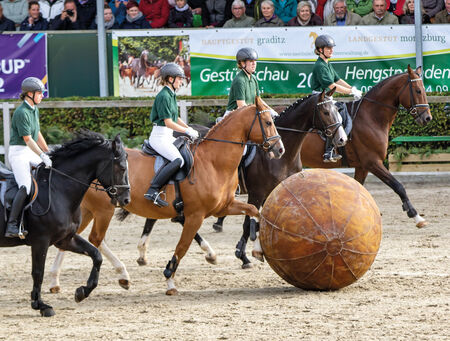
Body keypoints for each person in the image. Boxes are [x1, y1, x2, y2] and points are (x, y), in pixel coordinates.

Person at [144, 63, 199, 207]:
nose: (181, 81)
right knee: (178, 160)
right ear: (170, 79)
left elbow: (175, 118)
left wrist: (189, 128)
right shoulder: (164, 96)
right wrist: (186, 131)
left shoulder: (171, 94)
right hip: (159, 136)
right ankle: (153, 190)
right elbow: (168, 122)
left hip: (167, 135)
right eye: (179, 79)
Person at [5, 77, 52, 238]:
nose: (42, 96)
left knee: (49, 171)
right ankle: (12, 225)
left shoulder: (34, 109)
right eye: (40, 93)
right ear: (29, 94)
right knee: (25, 185)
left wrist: (48, 151)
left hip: (30, 151)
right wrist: (41, 154)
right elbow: (27, 139)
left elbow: (37, 133)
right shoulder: (21, 112)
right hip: (18, 153)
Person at [310, 35, 362, 163]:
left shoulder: (327, 64)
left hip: (326, 97)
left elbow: (337, 80)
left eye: (332, 48)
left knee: (342, 108)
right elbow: (332, 86)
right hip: (319, 97)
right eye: (328, 48)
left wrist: (352, 88)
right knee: (335, 118)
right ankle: (328, 151)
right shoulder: (320, 66)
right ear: (320, 50)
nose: (331, 50)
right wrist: (350, 92)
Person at [226, 47, 260, 114]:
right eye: (251, 61)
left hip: (247, 113)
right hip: (233, 115)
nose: (254, 64)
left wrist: (271, 112)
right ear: (242, 63)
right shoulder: (239, 80)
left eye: (255, 61)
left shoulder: (254, 78)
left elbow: (259, 101)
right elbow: (242, 106)